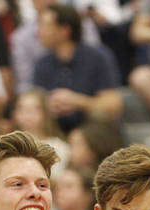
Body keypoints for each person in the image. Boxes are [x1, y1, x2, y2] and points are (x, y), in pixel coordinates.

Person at [33, 4, 124, 134]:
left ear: (65, 30)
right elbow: (36, 100)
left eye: (45, 26)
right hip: (55, 132)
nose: (39, 32)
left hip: (93, 132)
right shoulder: (42, 62)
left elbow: (114, 105)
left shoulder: (98, 57)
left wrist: (78, 102)